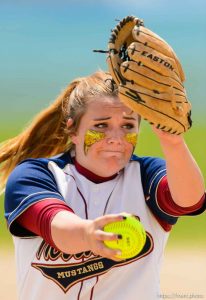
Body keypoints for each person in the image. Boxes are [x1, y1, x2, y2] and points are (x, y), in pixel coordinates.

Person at [1, 70, 205, 300]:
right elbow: (57, 226)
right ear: (73, 130)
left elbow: (189, 200)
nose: (116, 138)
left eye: (128, 126)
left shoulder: (147, 176)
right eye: (101, 126)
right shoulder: (35, 176)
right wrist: (88, 235)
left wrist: (172, 140)